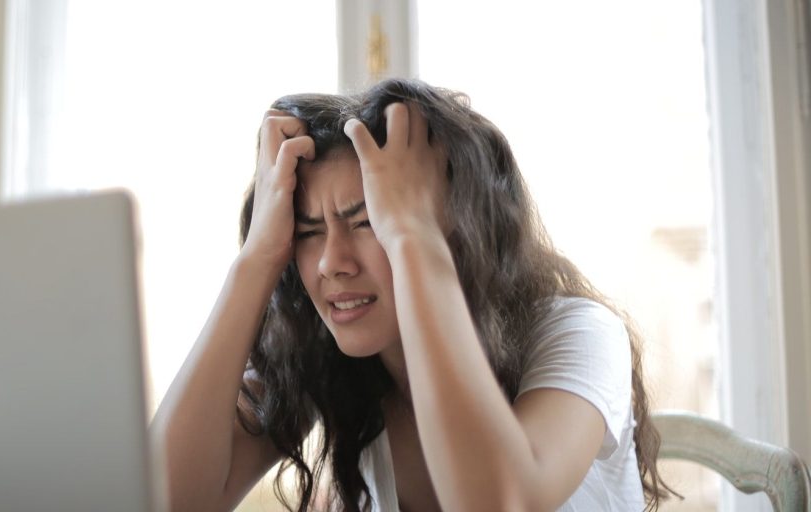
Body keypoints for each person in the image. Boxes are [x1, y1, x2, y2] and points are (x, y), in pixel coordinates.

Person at [151, 78, 675, 511]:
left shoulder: (579, 332)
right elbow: (163, 500)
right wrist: (257, 256)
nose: (333, 262)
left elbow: (500, 502)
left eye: (369, 222)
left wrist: (412, 237)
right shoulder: (328, 358)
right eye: (308, 231)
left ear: (455, 227)